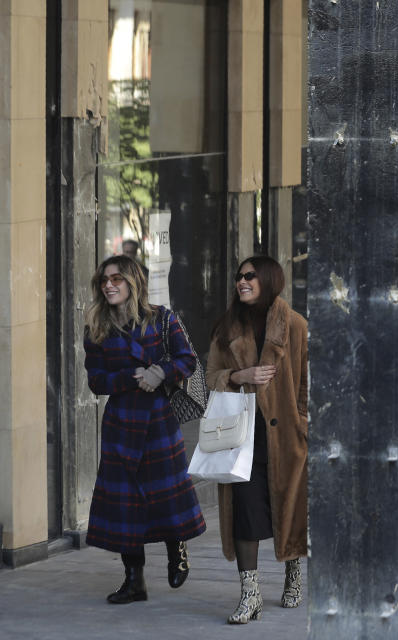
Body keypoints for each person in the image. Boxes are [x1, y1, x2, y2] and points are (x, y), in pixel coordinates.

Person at [83, 255, 206, 604]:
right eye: (105, 280)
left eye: (117, 278)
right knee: (125, 506)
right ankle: (134, 581)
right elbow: (95, 381)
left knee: (166, 494)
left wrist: (161, 372)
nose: (109, 284)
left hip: (158, 422)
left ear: (133, 282)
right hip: (121, 424)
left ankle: (176, 549)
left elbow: (188, 359)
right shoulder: (96, 328)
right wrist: (130, 377)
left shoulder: (162, 319)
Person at [206, 255, 308, 624]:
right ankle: (250, 595)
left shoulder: (295, 325)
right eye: (238, 276)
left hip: (286, 441)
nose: (242, 281)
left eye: (250, 276)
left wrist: (304, 427)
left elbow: (307, 383)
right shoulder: (227, 327)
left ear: (269, 279)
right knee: (245, 516)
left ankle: (293, 575)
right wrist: (238, 375)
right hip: (242, 439)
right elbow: (211, 376)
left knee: (289, 512)